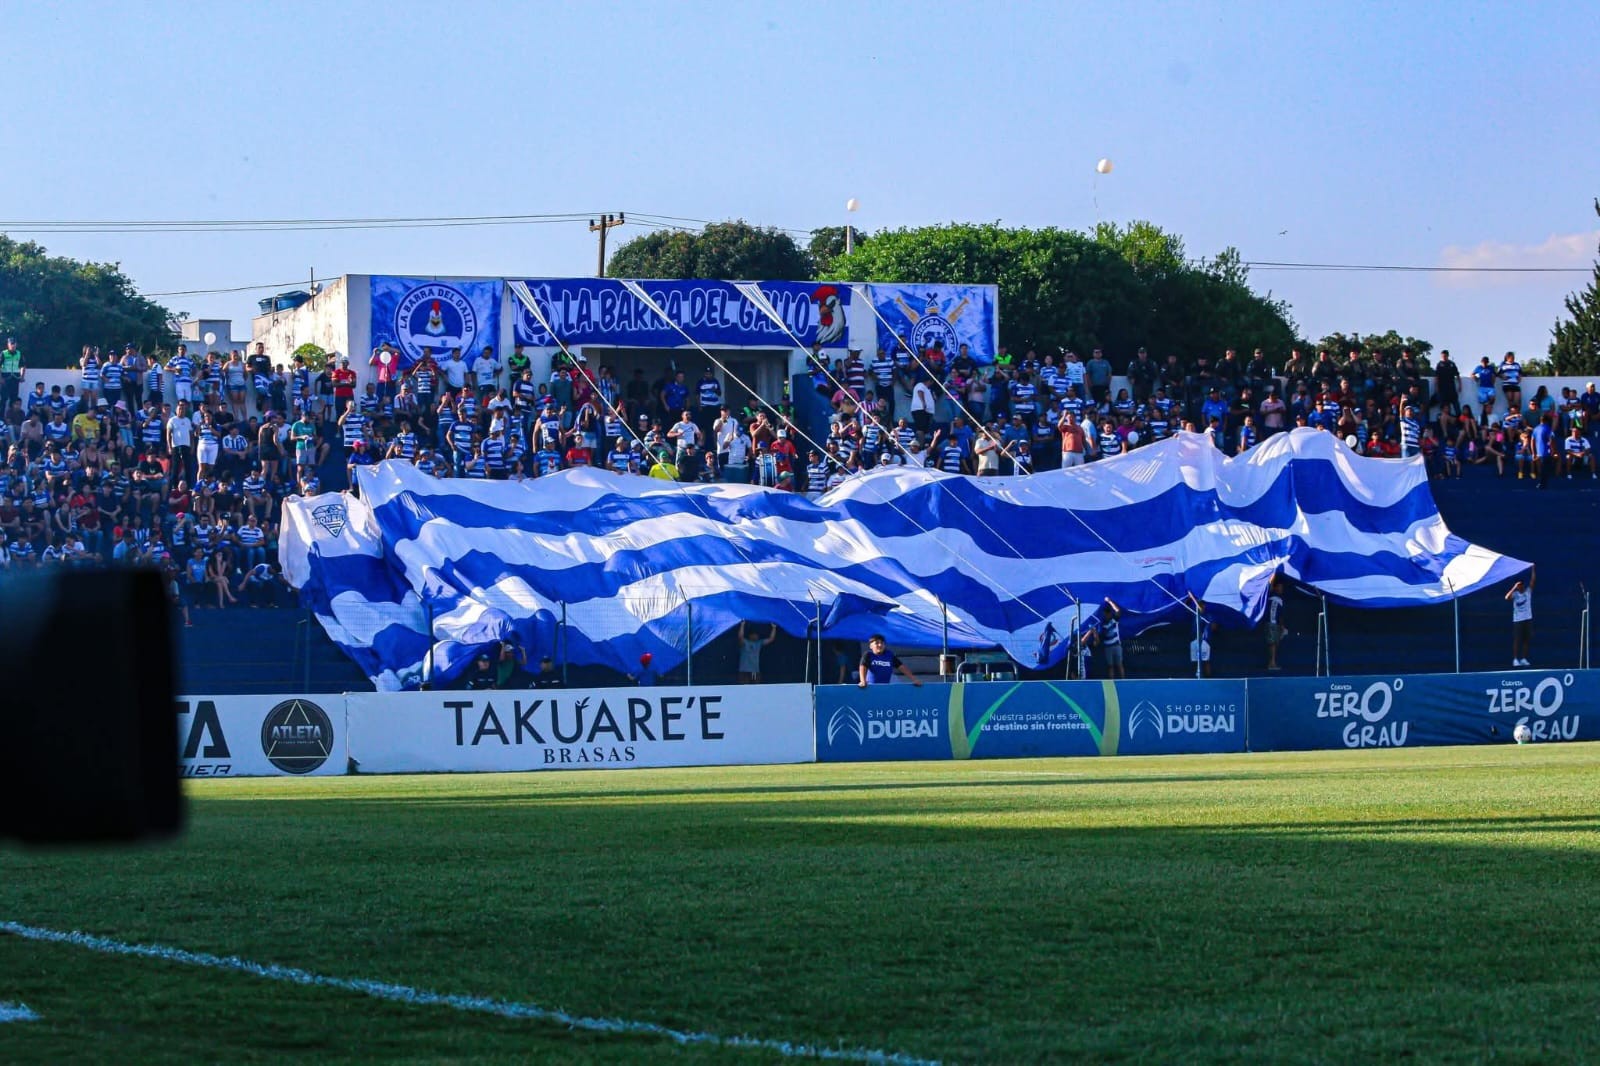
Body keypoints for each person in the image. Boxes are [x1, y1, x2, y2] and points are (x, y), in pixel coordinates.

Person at [1506, 566, 1535, 667]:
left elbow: (1533, 581)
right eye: (1518, 586)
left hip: (1528, 618)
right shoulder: (1515, 594)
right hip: (1518, 620)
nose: (1520, 587)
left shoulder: (1528, 592)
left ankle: (1523, 658)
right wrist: (1514, 587)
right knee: (1517, 640)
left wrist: (1533, 569)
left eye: (1521, 585)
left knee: (1526, 639)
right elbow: (1507, 597)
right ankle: (1515, 659)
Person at [1094, 598, 1124, 678]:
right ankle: (1111, 681)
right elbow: (1099, 637)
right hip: (1108, 647)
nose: (1107, 615)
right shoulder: (1101, 625)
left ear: (1110, 613)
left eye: (1108, 613)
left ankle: (1123, 681)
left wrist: (1109, 601)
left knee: (1119, 664)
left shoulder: (1114, 620)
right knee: (1110, 666)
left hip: (1117, 645)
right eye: (1105, 613)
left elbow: (1118, 611)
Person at [1265, 577, 1287, 671]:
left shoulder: (1280, 599)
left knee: (1274, 643)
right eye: (1279, 587)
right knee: (1272, 643)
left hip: (1275, 624)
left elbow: (1280, 614)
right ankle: (1272, 664)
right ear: (1276, 587)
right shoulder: (1271, 596)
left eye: (1282, 587)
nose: (1281, 589)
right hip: (1271, 623)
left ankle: (1272, 662)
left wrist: (1281, 626)